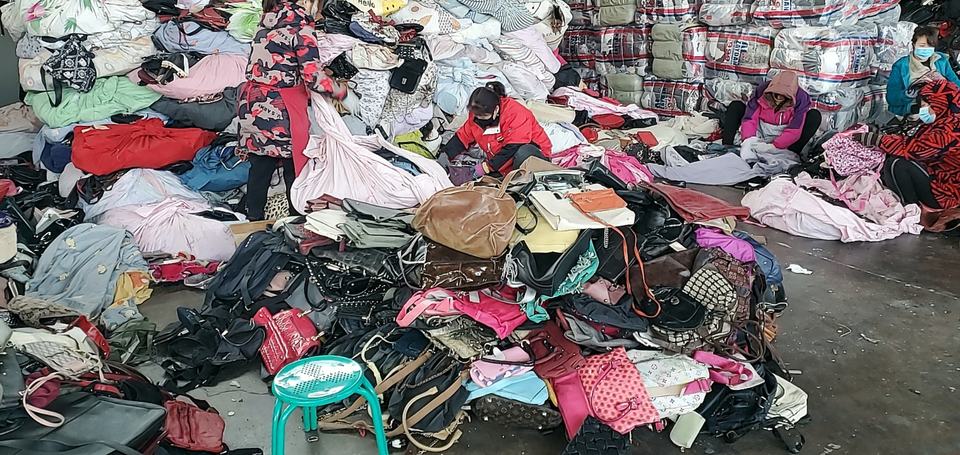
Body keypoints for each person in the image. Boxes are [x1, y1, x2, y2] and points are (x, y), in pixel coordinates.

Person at [237, 0, 347, 220]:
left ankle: (252, 221)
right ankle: (296, 220)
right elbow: (313, 77)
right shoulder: (301, 29)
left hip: (252, 102)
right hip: (281, 108)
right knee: (294, 168)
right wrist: (342, 92)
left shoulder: (266, 21)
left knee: (260, 166)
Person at [872, 79, 960, 210]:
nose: (922, 110)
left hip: (946, 192)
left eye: (927, 105)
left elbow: (914, 149)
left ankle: (911, 210)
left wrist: (876, 140)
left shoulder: (951, 129)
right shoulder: (943, 121)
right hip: (936, 176)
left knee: (897, 164)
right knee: (892, 161)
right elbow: (914, 141)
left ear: (940, 103)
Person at [441, 82, 553, 177]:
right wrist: (445, 155)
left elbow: (513, 147)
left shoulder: (515, 114)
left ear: (496, 110)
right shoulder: (476, 116)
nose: (479, 119)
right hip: (501, 162)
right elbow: (462, 137)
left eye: (484, 116)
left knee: (523, 153)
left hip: (532, 158)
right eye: (476, 116)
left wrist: (485, 168)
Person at [721, 71, 821, 154]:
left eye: (783, 97)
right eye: (776, 95)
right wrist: (748, 140)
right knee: (736, 106)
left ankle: (793, 152)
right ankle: (726, 147)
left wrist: (774, 146)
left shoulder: (801, 99)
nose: (778, 99)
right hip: (761, 129)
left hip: (784, 133)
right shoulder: (761, 91)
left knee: (814, 115)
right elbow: (750, 118)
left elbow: (795, 129)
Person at [887, 25, 960, 118]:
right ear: (914, 44)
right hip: (915, 111)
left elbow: (957, 85)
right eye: (922, 46)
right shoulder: (901, 66)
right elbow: (892, 98)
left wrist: (944, 83)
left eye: (930, 46)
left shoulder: (941, 61)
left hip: (944, 107)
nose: (926, 49)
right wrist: (907, 95)